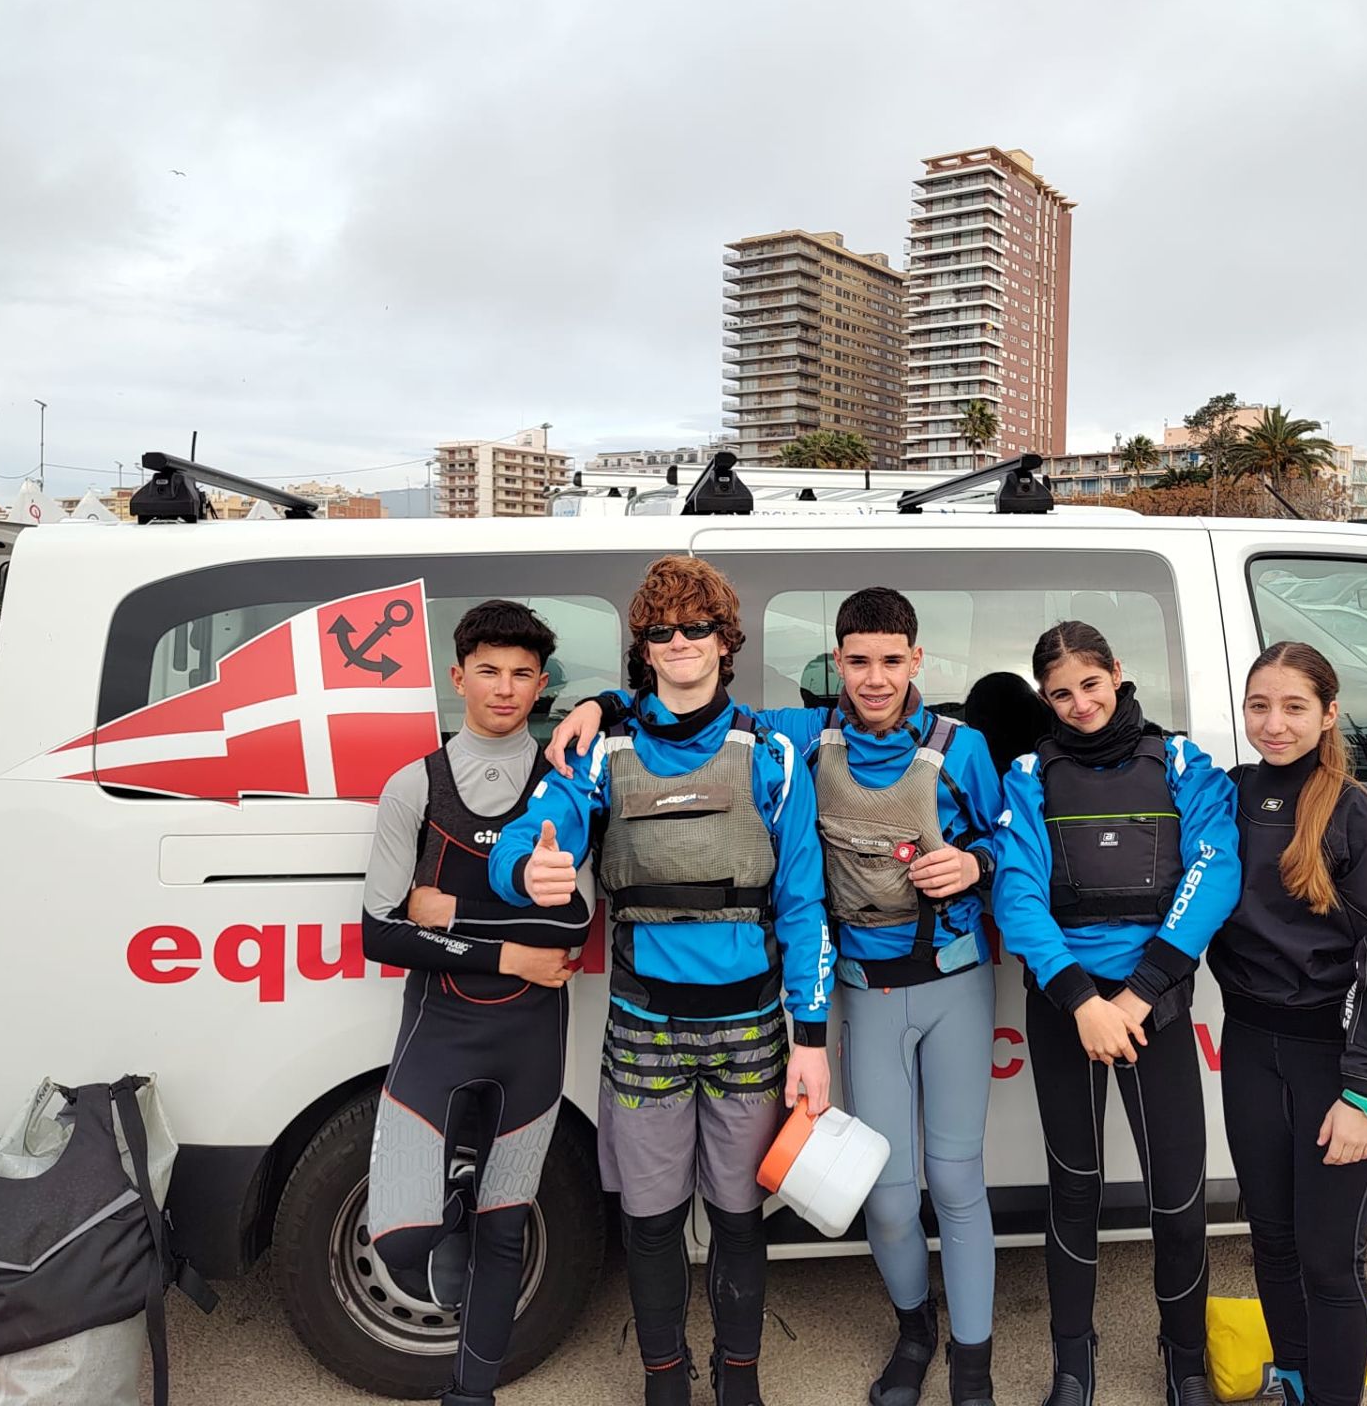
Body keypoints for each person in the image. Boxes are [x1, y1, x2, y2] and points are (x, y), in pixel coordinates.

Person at [550, 586, 1006, 1406]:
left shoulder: (962, 746)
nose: (874, 679)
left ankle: (971, 1371)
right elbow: (689, 709)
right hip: (864, 988)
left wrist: (977, 865)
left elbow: (1013, 840)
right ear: (835, 663)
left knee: (959, 1180)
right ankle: (915, 1333)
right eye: (858, 661)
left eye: (891, 661)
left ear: (918, 661)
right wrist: (600, 702)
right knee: (893, 1197)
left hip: (953, 981)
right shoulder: (798, 735)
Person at [489, 556, 834, 1406]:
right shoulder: (598, 749)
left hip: (752, 1027)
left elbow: (803, 902)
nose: (680, 643)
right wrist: (522, 871)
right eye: (661, 632)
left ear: (727, 642)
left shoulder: (775, 748)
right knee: (648, 1221)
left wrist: (813, 1039)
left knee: (739, 1218)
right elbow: (536, 829)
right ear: (643, 649)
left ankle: (740, 1378)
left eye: (697, 629)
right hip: (644, 1027)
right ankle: (663, 1378)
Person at [991, 621, 1240, 1406]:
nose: (1079, 704)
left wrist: (1137, 995)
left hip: (1150, 1009)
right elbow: (1017, 892)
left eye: (1090, 686)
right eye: (1060, 693)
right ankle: (1074, 1358)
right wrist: (1079, 1000)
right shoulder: (1029, 774)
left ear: (1117, 675)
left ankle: (1185, 1358)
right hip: (1067, 1010)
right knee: (1075, 1189)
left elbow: (1215, 868)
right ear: (1043, 698)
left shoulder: (1179, 763)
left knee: (1178, 1192)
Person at [359, 600, 592, 1406]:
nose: (505, 687)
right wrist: (509, 950)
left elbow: (574, 922)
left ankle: (473, 1393)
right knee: (404, 1239)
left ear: (542, 685)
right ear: (458, 676)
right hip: (440, 1035)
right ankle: (445, 1200)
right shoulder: (412, 788)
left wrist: (450, 911)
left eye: (523, 673)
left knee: (506, 1228)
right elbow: (379, 935)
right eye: (488, 670)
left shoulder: (563, 788)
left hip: (532, 1041)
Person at [1208, 642, 1367, 1406]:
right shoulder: (1227, 796)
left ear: (1329, 714)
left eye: (1294, 707)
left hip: (1335, 1064)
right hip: (1249, 1047)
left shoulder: (1361, 819)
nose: (1273, 724)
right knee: (1269, 1239)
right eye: (1258, 706)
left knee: (1329, 1261)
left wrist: (1365, 1093)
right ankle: (1298, 1381)